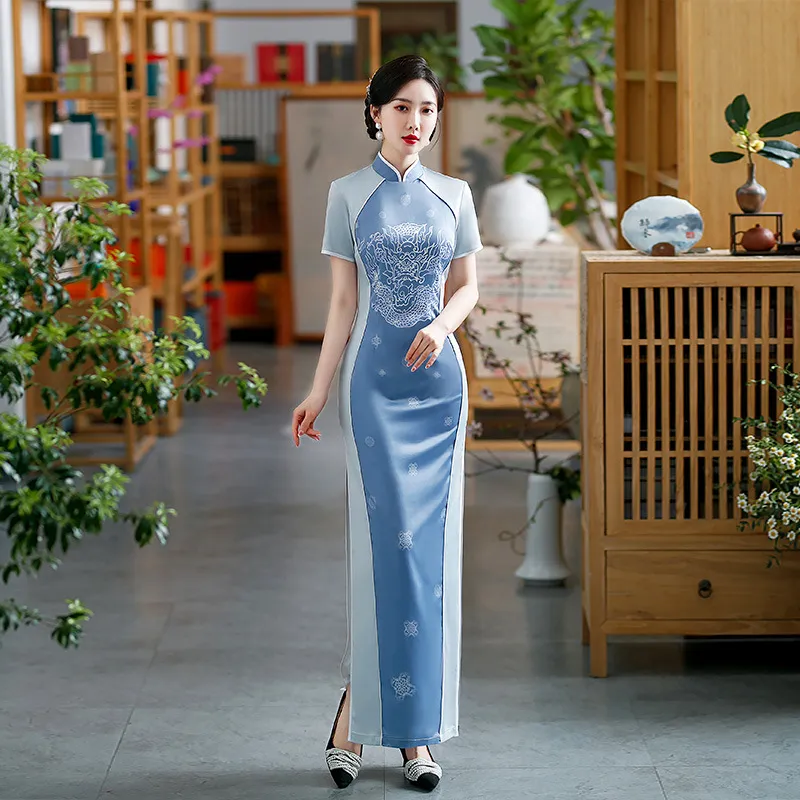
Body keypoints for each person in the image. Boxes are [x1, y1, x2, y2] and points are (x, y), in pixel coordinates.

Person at [291, 54, 482, 792]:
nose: (416, 123)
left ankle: (414, 737)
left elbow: (467, 287)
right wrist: (315, 390)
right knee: (382, 559)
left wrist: (442, 327)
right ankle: (360, 720)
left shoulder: (454, 194)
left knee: (430, 567)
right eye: (402, 108)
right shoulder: (346, 194)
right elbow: (343, 305)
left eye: (428, 110)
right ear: (374, 113)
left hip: (438, 392)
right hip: (373, 392)